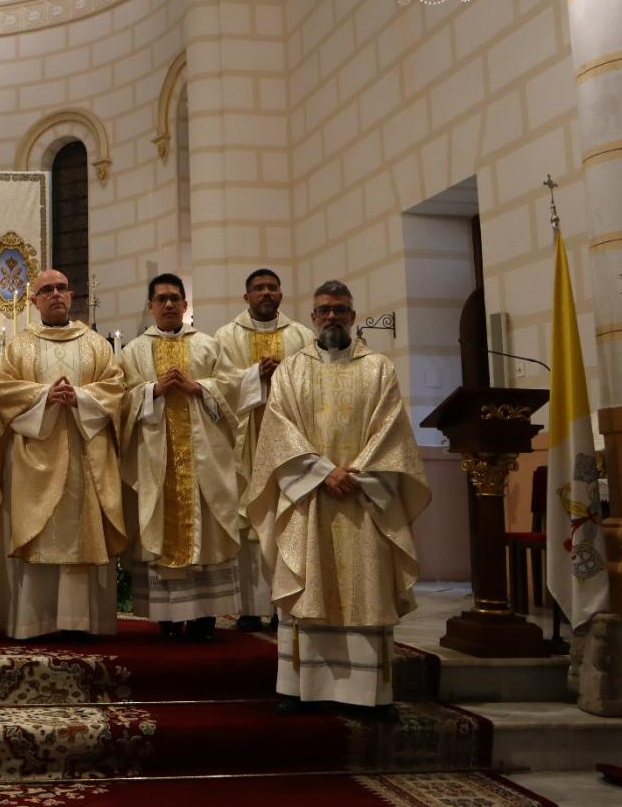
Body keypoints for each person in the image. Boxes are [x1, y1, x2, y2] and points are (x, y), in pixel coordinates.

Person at [243, 281, 428, 719]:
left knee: (366, 588)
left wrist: (355, 473)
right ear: (311, 317)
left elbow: (391, 432)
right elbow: (278, 433)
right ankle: (299, 687)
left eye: (340, 310)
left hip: (364, 501)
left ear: (353, 316)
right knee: (309, 584)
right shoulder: (291, 370)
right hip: (312, 501)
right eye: (324, 310)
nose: (332, 317)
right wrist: (324, 474)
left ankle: (368, 695)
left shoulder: (378, 369)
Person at [0, 269, 126, 639]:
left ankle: (81, 622)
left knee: (82, 531)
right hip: (33, 459)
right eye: (46, 290)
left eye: (62, 287)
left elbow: (116, 389)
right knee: (39, 532)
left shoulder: (96, 344)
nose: (56, 294)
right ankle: (35, 622)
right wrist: (43, 396)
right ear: (34, 301)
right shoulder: (19, 346)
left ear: (72, 294)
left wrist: (78, 397)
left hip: (84, 454)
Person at [118, 275, 242, 642]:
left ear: (186, 306)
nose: (169, 305)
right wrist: (152, 391)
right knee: (160, 523)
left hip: (203, 461)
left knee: (206, 533)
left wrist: (198, 388)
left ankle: (204, 617)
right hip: (158, 461)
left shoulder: (208, 346)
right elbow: (120, 400)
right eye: (161, 299)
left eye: (175, 298)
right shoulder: (134, 352)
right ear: (151, 307)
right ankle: (168, 619)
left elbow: (233, 390)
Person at [215, 269, 315, 632]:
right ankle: (249, 608)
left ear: (281, 295)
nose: (266, 293)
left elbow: (313, 381)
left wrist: (283, 376)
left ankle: (285, 603)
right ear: (247, 298)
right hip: (245, 444)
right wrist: (254, 375)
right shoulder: (226, 337)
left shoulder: (302, 336)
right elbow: (220, 386)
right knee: (248, 522)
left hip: (288, 443)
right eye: (259, 289)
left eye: (272, 287)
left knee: (285, 519)